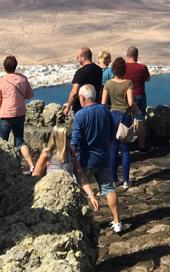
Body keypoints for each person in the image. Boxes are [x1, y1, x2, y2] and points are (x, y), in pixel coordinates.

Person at [71, 84, 123, 234]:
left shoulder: (80, 115)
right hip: (104, 156)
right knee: (108, 188)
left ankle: (82, 224)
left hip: (86, 159)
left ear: (82, 98)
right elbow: (112, 133)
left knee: (81, 189)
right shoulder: (105, 110)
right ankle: (117, 221)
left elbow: (74, 141)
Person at [31, 124, 101, 212]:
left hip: (68, 193)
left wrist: (91, 195)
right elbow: (35, 177)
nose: (71, 139)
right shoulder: (47, 154)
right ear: (61, 139)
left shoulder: (71, 153)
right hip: (51, 195)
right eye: (69, 137)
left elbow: (81, 176)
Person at [0, 55, 35, 172]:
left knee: (2, 142)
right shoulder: (23, 79)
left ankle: (3, 167)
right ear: (16, 66)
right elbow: (29, 95)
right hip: (20, 114)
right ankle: (31, 165)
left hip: (5, 116)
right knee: (20, 140)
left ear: (4, 67)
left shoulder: (1, 81)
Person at [101, 56, 137, 189]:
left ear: (114, 70)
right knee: (125, 149)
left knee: (113, 149)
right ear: (124, 70)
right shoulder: (128, 83)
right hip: (125, 116)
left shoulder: (108, 84)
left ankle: (113, 179)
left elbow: (103, 103)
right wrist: (135, 111)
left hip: (111, 116)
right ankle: (126, 181)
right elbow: (131, 102)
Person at [124, 46, 151, 148]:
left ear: (127, 55)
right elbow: (147, 78)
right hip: (139, 96)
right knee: (140, 120)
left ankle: (124, 147)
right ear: (137, 55)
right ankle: (142, 147)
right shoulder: (142, 67)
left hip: (126, 97)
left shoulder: (123, 67)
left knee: (125, 120)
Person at [64, 47, 103, 114]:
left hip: (81, 108)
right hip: (95, 105)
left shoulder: (81, 72)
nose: (77, 59)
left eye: (78, 57)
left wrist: (68, 107)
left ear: (84, 58)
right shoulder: (99, 70)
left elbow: (74, 92)